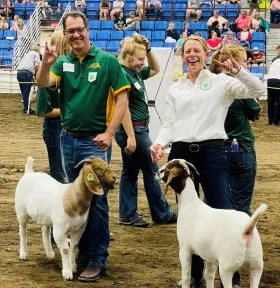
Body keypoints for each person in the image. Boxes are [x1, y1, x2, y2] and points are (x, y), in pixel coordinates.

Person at [150, 35, 266, 288]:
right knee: (189, 216)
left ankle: (231, 276)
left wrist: (240, 72)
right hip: (181, 153)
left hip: (213, 152)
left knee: (222, 209)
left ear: (205, 54)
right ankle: (194, 276)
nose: (191, 55)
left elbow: (259, 91)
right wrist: (159, 142)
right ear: (182, 55)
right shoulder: (175, 88)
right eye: (187, 51)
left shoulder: (221, 82)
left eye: (196, 51)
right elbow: (169, 124)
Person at [36, 11, 130, 282]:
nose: (76, 35)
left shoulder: (108, 62)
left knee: (97, 201)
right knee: (77, 199)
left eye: (80, 29)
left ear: (88, 30)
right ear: (65, 34)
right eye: (71, 31)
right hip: (68, 139)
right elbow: (43, 82)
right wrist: (45, 63)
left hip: (95, 141)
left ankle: (97, 258)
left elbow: (122, 99)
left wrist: (110, 133)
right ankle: (83, 253)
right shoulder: (61, 62)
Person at [210, 44, 262, 288]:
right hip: (240, 149)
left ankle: (223, 270)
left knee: (222, 209)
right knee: (241, 211)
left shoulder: (211, 85)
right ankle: (239, 269)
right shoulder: (235, 89)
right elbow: (255, 109)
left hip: (218, 150)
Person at [115, 33, 177, 227]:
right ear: (128, 57)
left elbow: (156, 69)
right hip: (133, 130)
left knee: (130, 171)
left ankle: (127, 214)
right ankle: (161, 214)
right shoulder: (124, 74)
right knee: (151, 169)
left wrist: (148, 50)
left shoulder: (134, 72)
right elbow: (122, 106)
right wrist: (131, 136)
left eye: (143, 59)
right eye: (140, 59)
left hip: (138, 129)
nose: (143, 63)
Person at [36, 30, 71, 184]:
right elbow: (43, 111)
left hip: (69, 126)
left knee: (67, 172)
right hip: (55, 127)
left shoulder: (70, 70)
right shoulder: (48, 73)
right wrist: (70, 111)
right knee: (60, 175)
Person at [17, 44, 41, 114]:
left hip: (19, 73)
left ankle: (26, 108)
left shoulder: (27, 54)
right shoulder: (36, 54)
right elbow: (36, 65)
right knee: (27, 92)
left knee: (24, 92)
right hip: (27, 74)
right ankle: (27, 109)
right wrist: (37, 76)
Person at [267, 58, 280, 125]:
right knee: (278, 101)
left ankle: (270, 120)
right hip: (278, 80)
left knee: (271, 101)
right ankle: (276, 121)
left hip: (270, 80)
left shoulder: (276, 60)